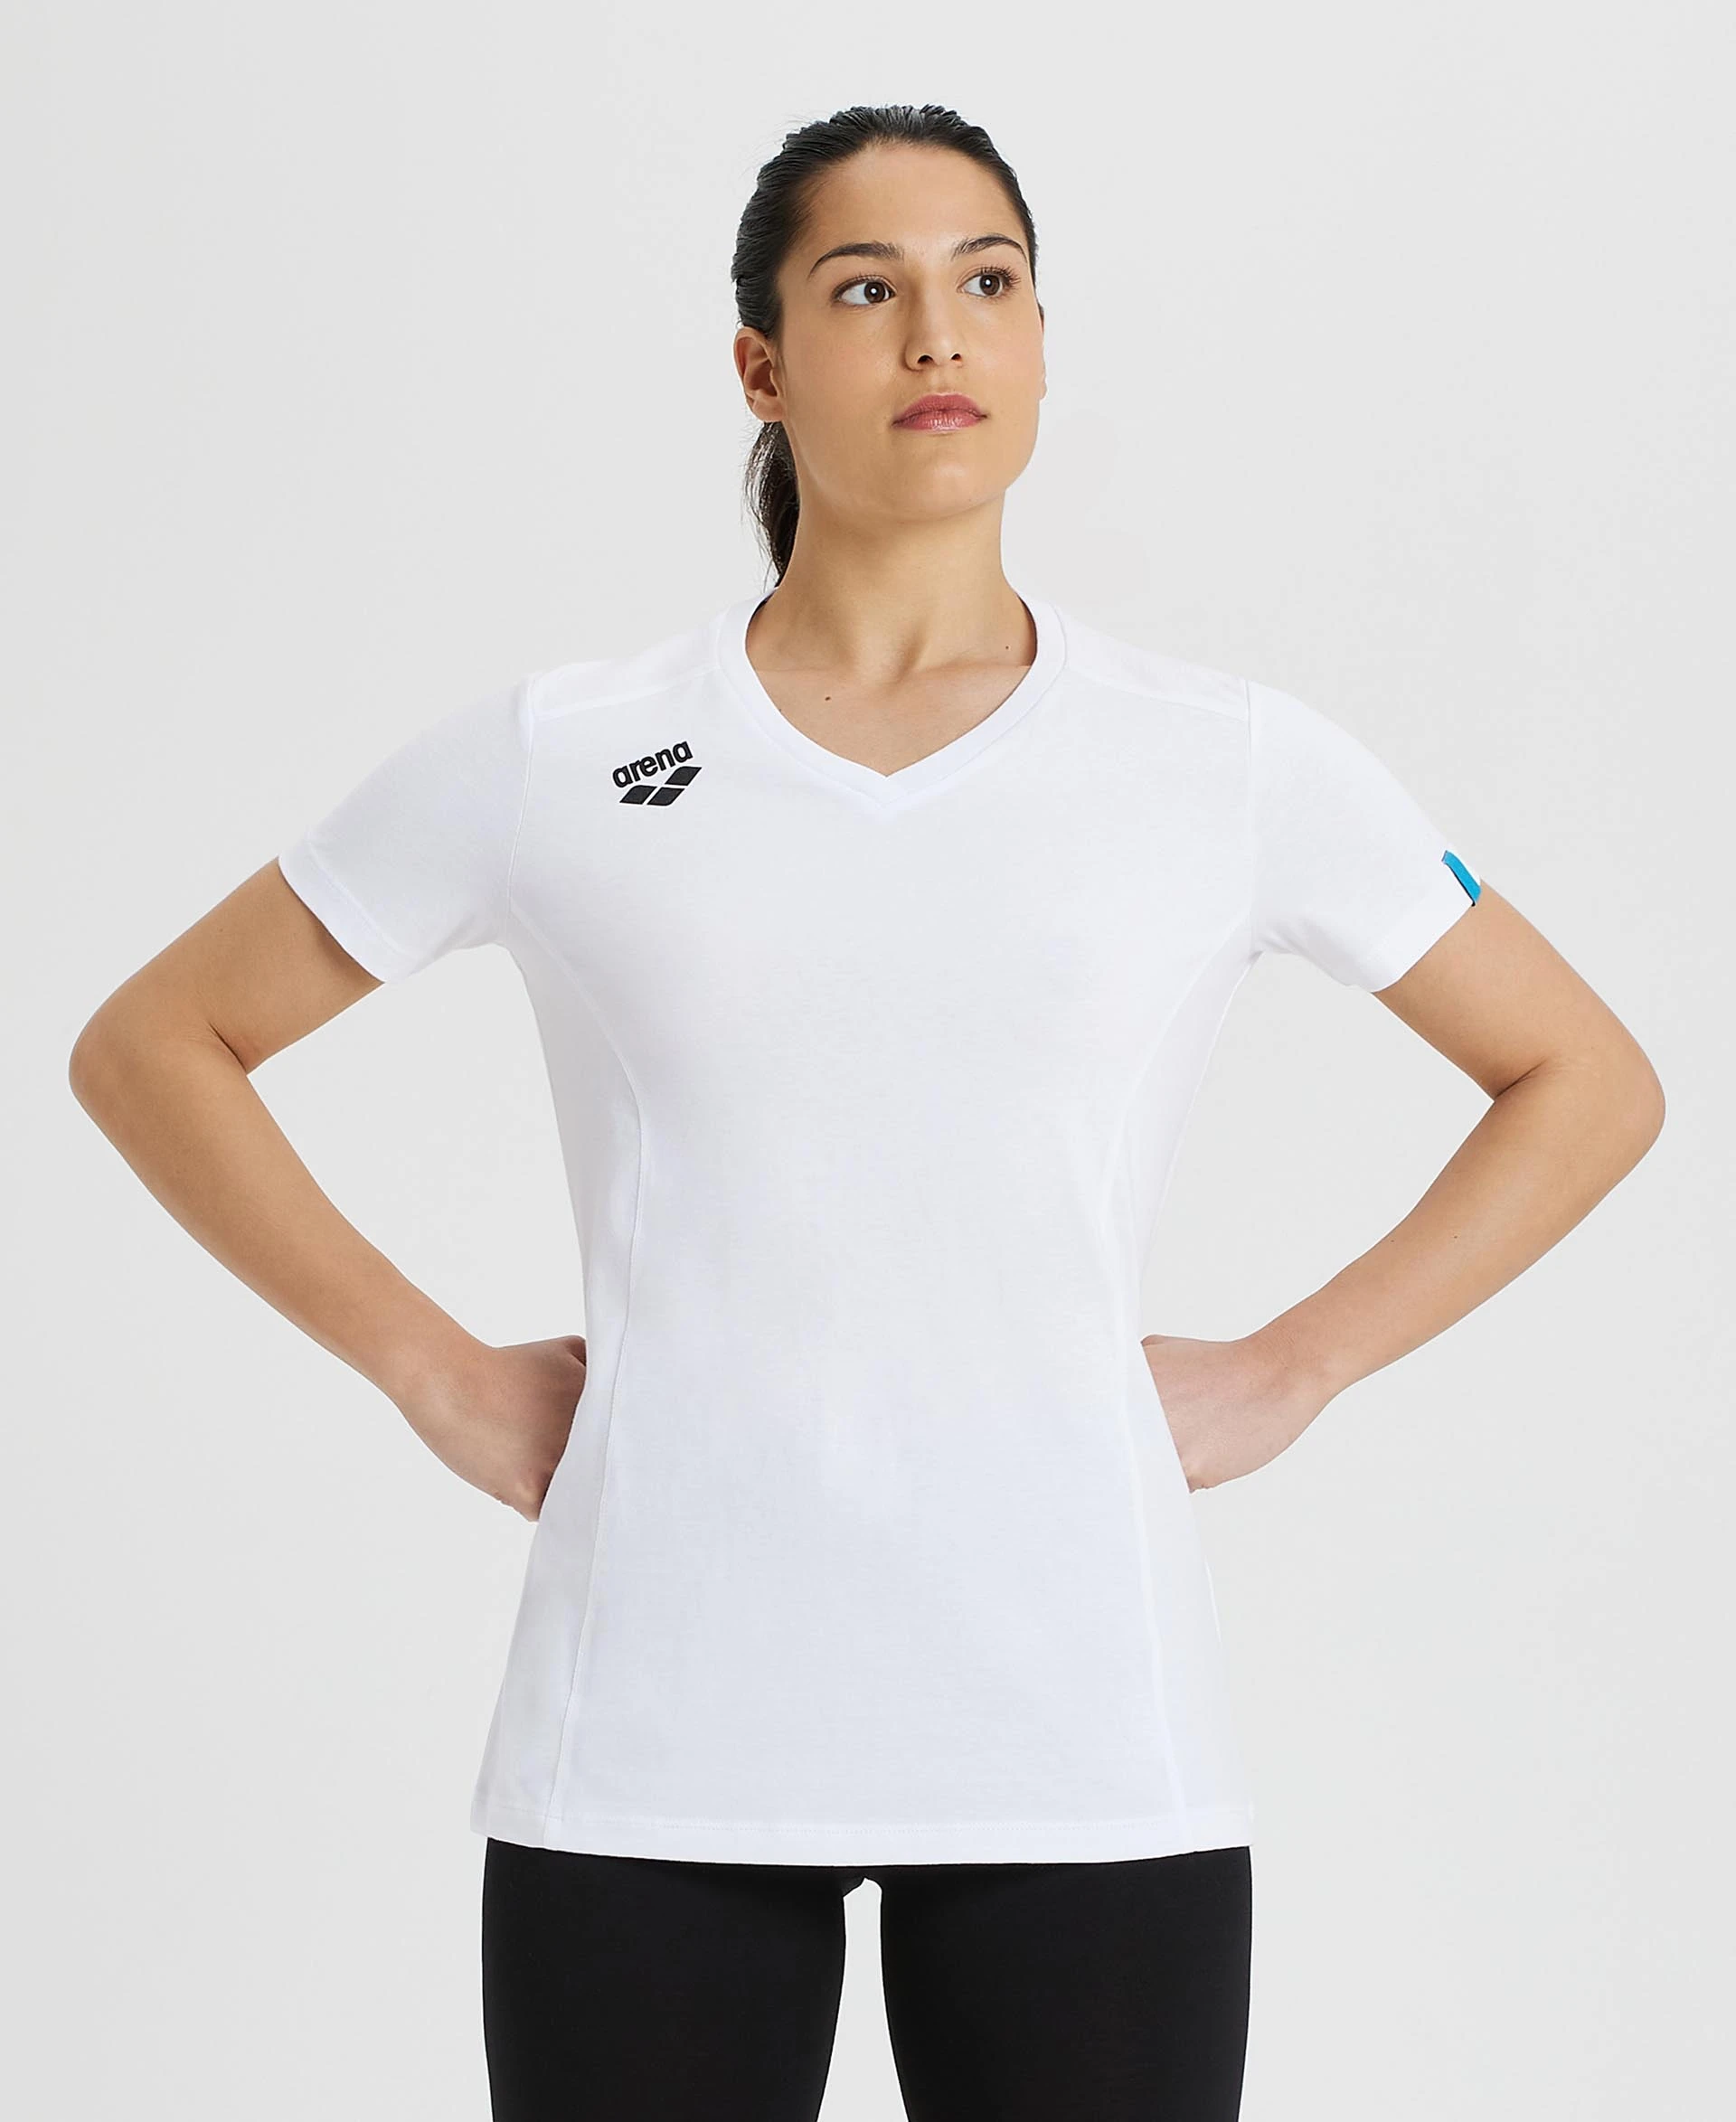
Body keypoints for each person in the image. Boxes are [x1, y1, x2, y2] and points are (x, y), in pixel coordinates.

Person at [68, 100, 1664, 2122]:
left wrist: (1299, 1364)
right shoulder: (574, 752)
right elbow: (157, 1043)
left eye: (988, 282)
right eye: (865, 289)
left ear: (1043, 344)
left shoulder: (1225, 765)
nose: (939, 335)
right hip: (649, 1734)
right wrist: (431, 1370)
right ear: (761, 366)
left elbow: (1585, 1079)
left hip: (1084, 1735)